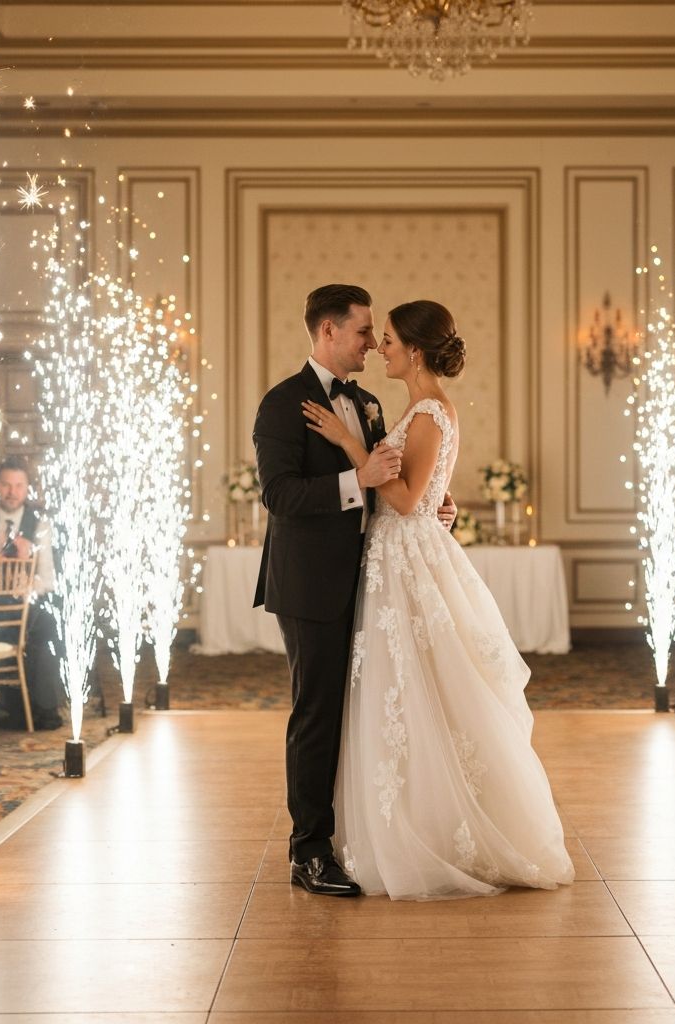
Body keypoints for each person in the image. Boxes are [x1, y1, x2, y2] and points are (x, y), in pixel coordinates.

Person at [304, 299, 574, 900]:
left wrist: (351, 445)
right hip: (398, 560)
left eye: (391, 339)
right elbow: (429, 498)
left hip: (405, 564)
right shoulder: (420, 410)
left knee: (417, 691)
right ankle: (410, 821)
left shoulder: (428, 412)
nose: (381, 347)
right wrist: (431, 502)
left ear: (417, 350)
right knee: (404, 695)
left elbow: (402, 501)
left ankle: (432, 834)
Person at [253, 284, 456, 898]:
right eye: (364, 331)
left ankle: (358, 838)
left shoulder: (369, 404)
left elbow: (400, 484)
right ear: (328, 333)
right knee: (316, 715)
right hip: (311, 585)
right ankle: (308, 852)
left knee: (365, 716)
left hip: (374, 582)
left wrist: (433, 506)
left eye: (377, 333)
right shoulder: (282, 404)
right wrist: (354, 479)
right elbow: (280, 495)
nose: (372, 342)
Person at [0, 456, 64, 730]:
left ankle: (40, 710)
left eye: (18, 485)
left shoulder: (40, 524)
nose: (12, 492)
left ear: (27, 488)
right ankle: (31, 709)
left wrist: (28, 582)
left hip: (24, 607)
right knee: (35, 630)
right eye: (6, 485)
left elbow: (49, 579)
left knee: (44, 626)